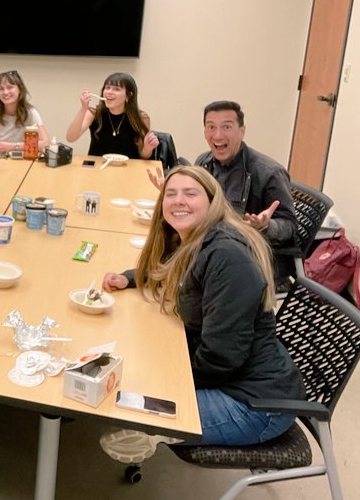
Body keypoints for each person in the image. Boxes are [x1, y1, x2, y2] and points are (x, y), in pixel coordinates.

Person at [98, 166, 304, 464]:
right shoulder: (198, 240)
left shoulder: (226, 256)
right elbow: (175, 271)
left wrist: (169, 381)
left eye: (190, 193)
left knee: (125, 404)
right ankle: (157, 421)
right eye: (171, 194)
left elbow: (222, 357)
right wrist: (132, 278)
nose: (178, 200)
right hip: (236, 381)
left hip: (255, 404)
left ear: (212, 201)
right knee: (132, 379)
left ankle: (155, 428)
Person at [149, 101, 297, 288]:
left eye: (226, 127)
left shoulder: (269, 172)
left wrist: (266, 225)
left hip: (245, 259)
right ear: (204, 132)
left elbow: (290, 226)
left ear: (241, 131)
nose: (218, 135)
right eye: (211, 127)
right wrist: (173, 195)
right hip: (206, 246)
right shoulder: (204, 161)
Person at [65, 72, 158, 159]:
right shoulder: (94, 113)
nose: (109, 92)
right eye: (107, 87)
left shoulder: (141, 118)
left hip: (128, 169)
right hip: (97, 168)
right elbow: (71, 138)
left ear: (128, 96)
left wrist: (147, 148)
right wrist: (83, 109)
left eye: (116, 89)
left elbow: (144, 156)